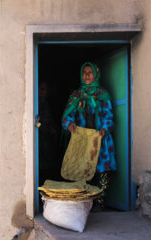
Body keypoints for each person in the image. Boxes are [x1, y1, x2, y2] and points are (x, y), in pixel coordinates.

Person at [61, 62, 116, 210]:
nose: (86, 75)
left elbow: (109, 116)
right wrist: (69, 124)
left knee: (102, 170)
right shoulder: (76, 95)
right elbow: (68, 115)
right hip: (82, 139)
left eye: (89, 72)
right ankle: (85, 203)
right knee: (82, 169)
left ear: (96, 74)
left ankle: (100, 201)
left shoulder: (103, 94)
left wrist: (104, 128)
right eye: (84, 72)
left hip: (100, 138)